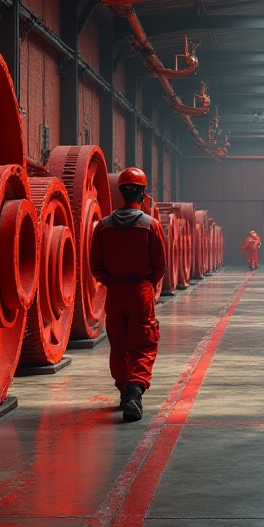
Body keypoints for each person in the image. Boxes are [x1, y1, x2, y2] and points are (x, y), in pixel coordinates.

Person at [89, 167, 167, 421]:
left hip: (115, 291)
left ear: (121, 192)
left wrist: (111, 280)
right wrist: (148, 284)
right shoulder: (150, 225)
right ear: (143, 194)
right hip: (140, 290)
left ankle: (124, 389)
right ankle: (135, 390)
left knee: (119, 344)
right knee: (143, 343)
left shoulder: (103, 226)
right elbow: (160, 264)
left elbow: (95, 264)